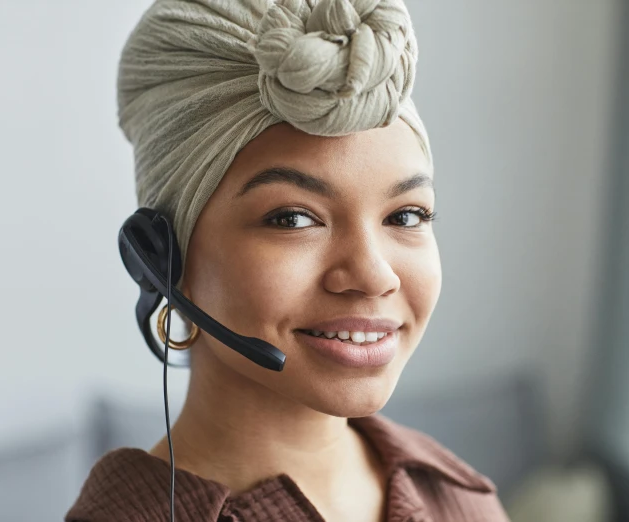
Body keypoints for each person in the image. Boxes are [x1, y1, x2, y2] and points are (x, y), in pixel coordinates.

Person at [66, 0, 510, 520]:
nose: (373, 275)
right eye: (293, 219)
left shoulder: (463, 501)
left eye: (406, 216)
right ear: (159, 257)